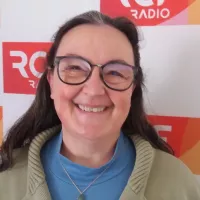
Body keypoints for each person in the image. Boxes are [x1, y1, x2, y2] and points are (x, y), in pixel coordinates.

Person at [0, 10, 200, 200]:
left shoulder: (179, 185)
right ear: (52, 81)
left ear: (132, 88)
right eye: (75, 68)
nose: (94, 89)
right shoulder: (4, 178)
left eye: (115, 72)